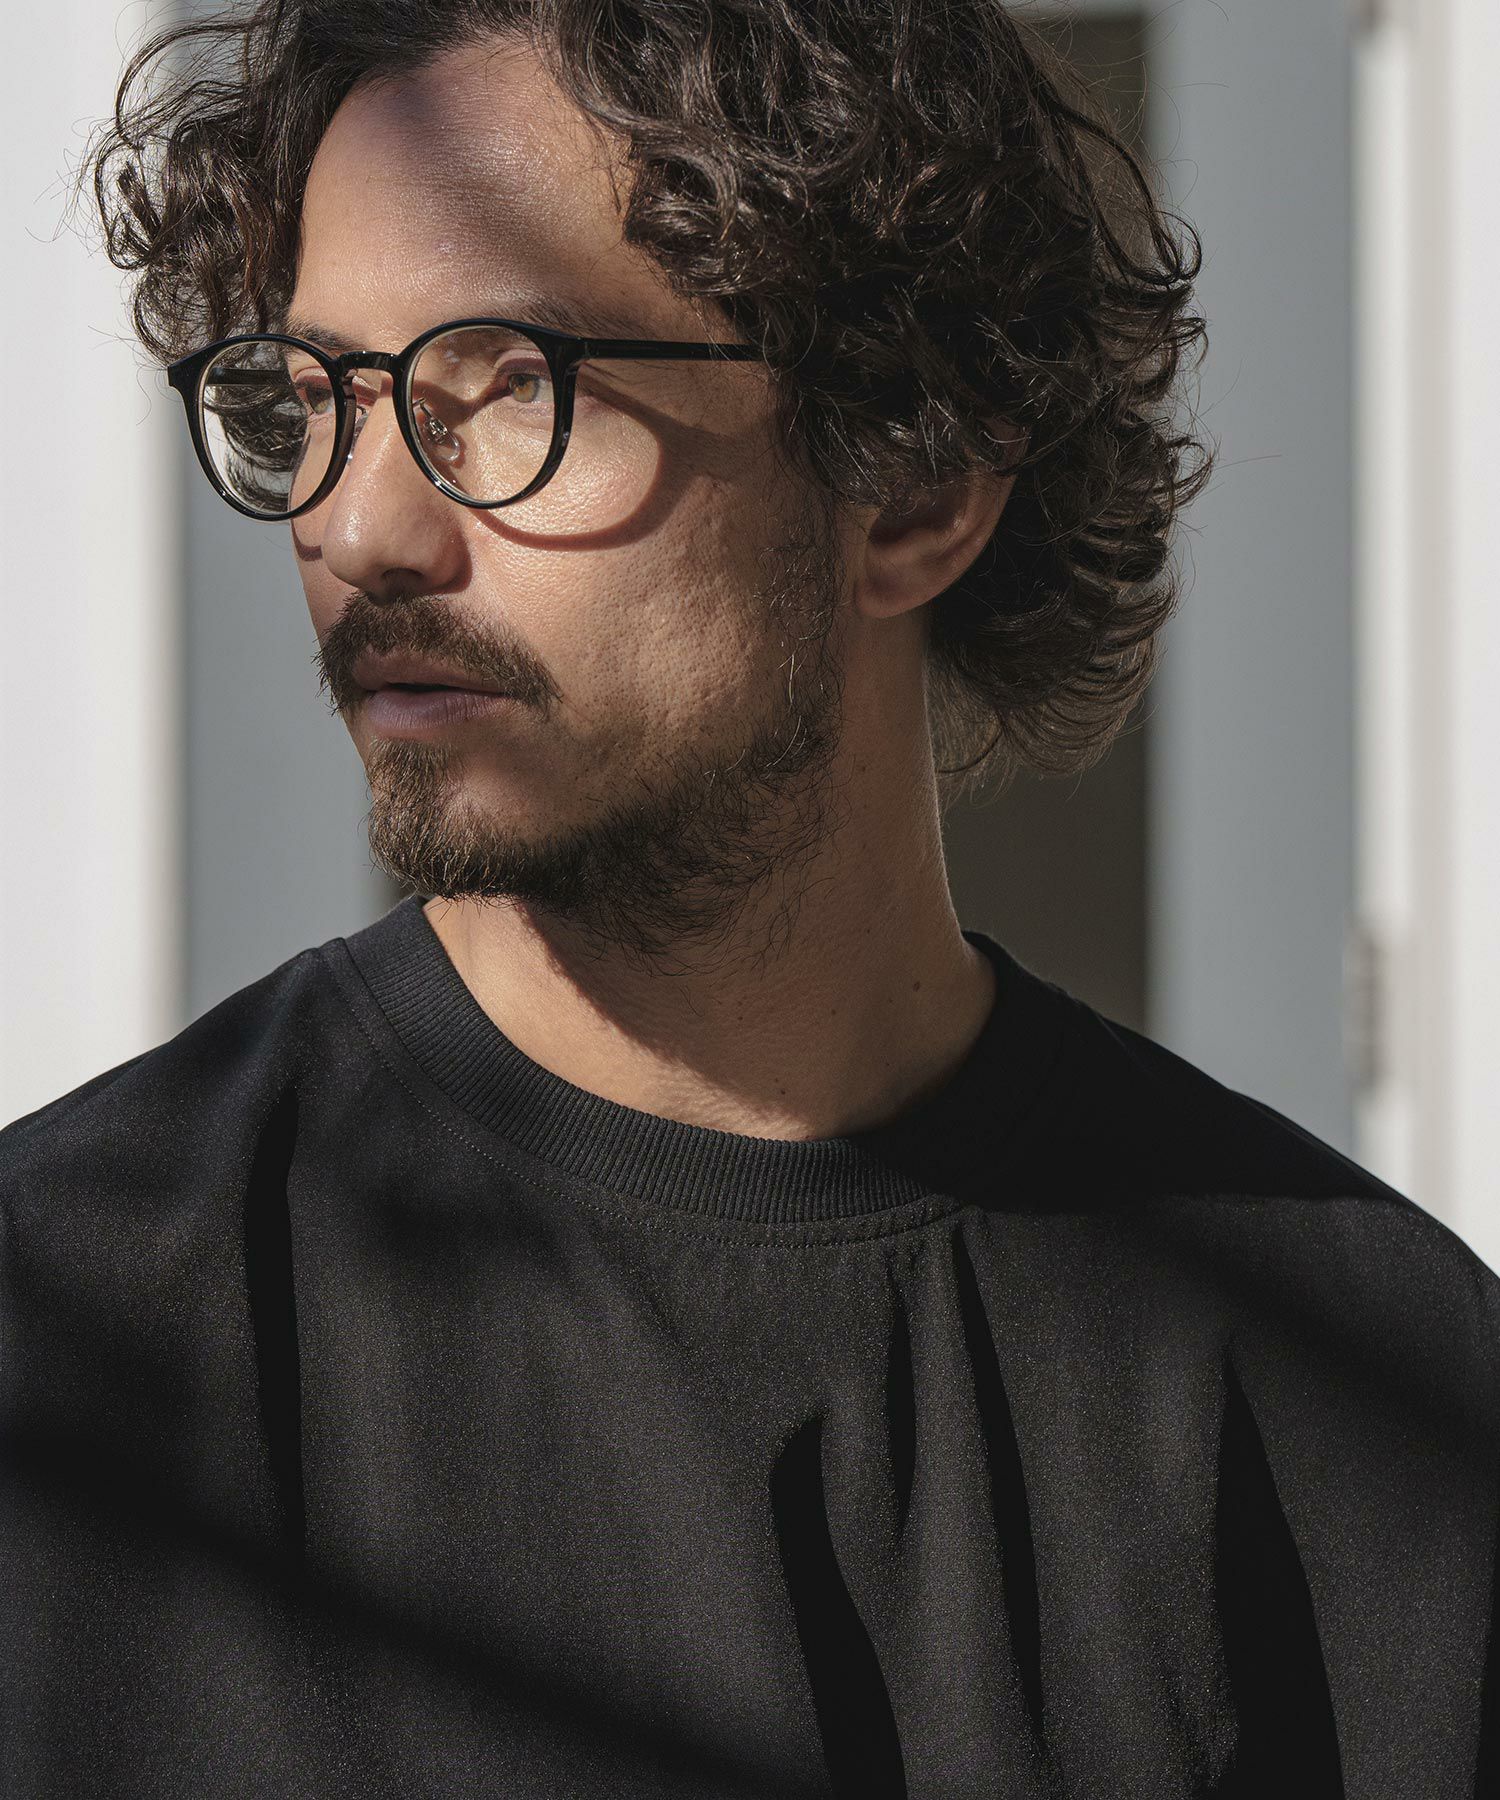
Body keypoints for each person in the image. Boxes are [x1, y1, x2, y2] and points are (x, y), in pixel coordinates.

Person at [4, 0, 1497, 1794]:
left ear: (915, 487)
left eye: (509, 383)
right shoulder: (69, 1346)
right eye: (315, 399)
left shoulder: (1376, 1412)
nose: (361, 531)